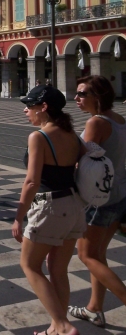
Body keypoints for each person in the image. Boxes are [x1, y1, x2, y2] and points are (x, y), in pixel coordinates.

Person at [12, 85, 84, 335]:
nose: (25, 110)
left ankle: (63, 326)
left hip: (51, 205)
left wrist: (18, 216)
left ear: (44, 108)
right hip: (74, 204)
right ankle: (56, 326)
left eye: (30, 106)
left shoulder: (39, 137)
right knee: (58, 269)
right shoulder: (72, 134)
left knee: (30, 265)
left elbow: (32, 181)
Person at [69, 76, 126, 328]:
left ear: (97, 97)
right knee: (98, 255)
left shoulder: (96, 123)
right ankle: (94, 308)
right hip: (119, 195)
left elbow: (80, 160)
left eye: (82, 93)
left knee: (87, 255)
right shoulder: (120, 120)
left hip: (97, 199)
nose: (76, 98)